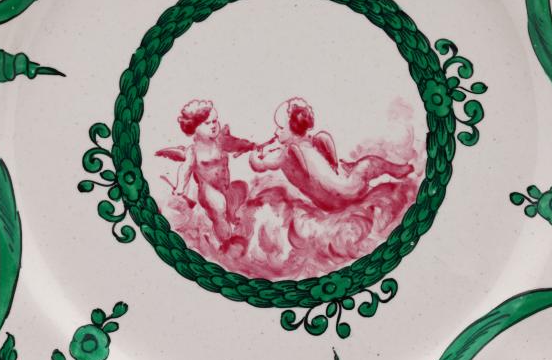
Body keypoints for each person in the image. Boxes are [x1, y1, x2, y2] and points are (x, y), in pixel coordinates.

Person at [249, 98, 413, 212]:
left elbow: (259, 165)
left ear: (292, 129)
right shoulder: (296, 150)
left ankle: (351, 170)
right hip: (348, 192)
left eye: (280, 128)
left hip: (329, 205)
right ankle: (396, 170)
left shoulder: (287, 154)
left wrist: (256, 155)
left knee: (343, 166)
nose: (276, 132)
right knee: (369, 163)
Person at [156, 100, 255, 248]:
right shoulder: (193, 151)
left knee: (241, 188)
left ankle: (231, 215)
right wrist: (180, 187)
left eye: (215, 121)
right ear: (194, 127)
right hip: (208, 190)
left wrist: (249, 146)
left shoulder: (221, 141)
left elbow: (236, 143)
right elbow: (185, 169)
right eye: (208, 123)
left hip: (225, 187)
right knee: (219, 208)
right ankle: (226, 243)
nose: (213, 125)